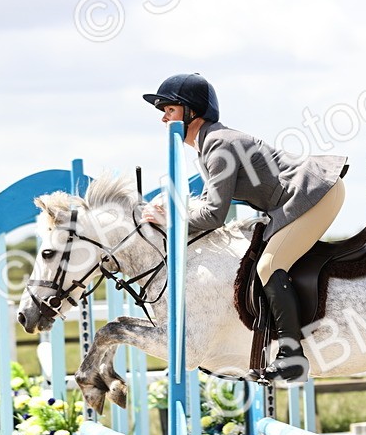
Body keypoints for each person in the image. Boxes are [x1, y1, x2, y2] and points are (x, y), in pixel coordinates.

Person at [141, 73, 348, 383]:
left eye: (169, 109)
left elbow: (214, 216)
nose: (163, 118)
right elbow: (206, 202)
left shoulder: (218, 145)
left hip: (313, 193)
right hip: (292, 200)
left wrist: (171, 220)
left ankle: (292, 357)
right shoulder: (208, 144)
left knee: (269, 264)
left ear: (191, 111)